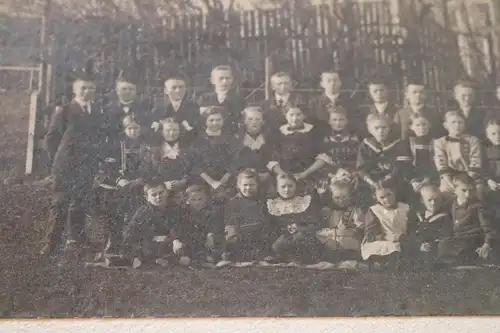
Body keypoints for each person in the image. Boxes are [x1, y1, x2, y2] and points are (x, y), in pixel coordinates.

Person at [41, 69, 107, 261]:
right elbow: (51, 139)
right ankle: (51, 245)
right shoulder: (65, 111)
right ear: (75, 90)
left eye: (91, 88)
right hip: (66, 167)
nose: (87, 92)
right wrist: (59, 161)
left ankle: (77, 240)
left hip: (86, 167)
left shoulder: (96, 112)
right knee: (60, 204)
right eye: (83, 88)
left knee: (79, 204)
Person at [95, 115, 152, 259]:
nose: (133, 131)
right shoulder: (117, 145)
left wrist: (139, 180)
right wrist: (119, 179)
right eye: (130, 128)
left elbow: (148, 166)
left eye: (136, 128)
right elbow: (109, 166)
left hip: (138, 183)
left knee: (136, 211)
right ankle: (112, 240)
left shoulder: (146, 145)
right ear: (125, 130)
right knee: (113, 210)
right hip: (119, 184)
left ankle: (132, 243)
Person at [121, 180, 183, 268]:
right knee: (143, 247)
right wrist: (155, 238)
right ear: (147, 198)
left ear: (166, 192)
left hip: (169, 241)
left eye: (161, 193)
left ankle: (165, 259)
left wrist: (175, 239)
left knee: (182, 243)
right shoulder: (143, 212)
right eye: (154, 195)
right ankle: (152, 260)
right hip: (150, 242)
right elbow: (132, 232)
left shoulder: (174, 208)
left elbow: (176, 225)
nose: (158, 197)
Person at [438, 174, 496, 266]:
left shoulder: (478, 206)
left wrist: (486, 244)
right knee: (442, 244)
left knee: (453, 248)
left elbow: (487, 228)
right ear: (455, 190)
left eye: (471, 190)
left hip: (473, 239)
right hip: (457, 239)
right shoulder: (451, 204)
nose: (468, 194)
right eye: (464, 190)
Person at [267, 173, 322, 264]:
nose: (287, 190)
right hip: (280, 236)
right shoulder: (272, 204)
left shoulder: (304, 202)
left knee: (301, 239)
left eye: (290, 186)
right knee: (278, 244)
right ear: (277, 188)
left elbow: (313, 223)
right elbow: (270, 225)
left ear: (296, 186)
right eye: (283, 186)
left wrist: (300, 228)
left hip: (301, 235)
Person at [356, 113, 411, 204]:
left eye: (384, 127)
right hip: (372, 182)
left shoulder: (398, 144)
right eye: (376, 128)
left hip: (393, 181)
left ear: (389, 128)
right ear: (370, 130)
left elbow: (401, 166)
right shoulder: (365, 145)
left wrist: (386, 181)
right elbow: (361, 168)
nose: (380, 131)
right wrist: (372, 182)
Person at [300, 106, 359, 187]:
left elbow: (358, 161)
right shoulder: (324, 139)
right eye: (334, 120)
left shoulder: (354, 139)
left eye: (341, 119)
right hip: (329, 174)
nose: (338, 123)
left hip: (350, 173)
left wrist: (352, 172)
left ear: (346, 121)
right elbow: (322, 160)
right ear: (329, 122)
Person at [186, 107, 237, 201]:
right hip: (203, 181)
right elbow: (195, 164)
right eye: (211, 120)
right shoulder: (197, 140)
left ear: (223, 121)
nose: (215, 123)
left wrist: (222, 182)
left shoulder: (231, 139)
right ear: (205, 122)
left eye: (218, 120)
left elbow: (235, 162)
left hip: (226, 181)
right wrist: (212, 182)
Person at [361, 183, 413, 272]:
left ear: (394, 193)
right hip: (383, 239)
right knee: (389, 247)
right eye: (382, 197)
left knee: (403, 247)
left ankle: (396, 265)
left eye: (389, 195)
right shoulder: (375, 210)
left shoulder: (404, 207)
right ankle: (383, 265)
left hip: (402, 238)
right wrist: (380, 236)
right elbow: (372, 230)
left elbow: (411, 224)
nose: (387, 199)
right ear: (376, 197)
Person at [222, 169, 271, 264]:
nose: (248, 188)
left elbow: (265, 220)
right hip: (241, 234)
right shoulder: (233, 203)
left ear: (257, 185)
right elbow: (231, 225)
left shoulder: (262, 201)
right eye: (245, 185)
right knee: (232, 240)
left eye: (252, 185)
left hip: (258, 234)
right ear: (239, 186)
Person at [267, 107, 320, 185]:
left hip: (309, 175)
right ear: (285, 116)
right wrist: (283, 174)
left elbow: (323, 156)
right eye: (291, 115)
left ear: (304, 115)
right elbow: (272, 157)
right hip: (284, 175)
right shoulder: (278, 132)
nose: (295, 118)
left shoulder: (314, 131)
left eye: (298, 114)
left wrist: (305, 174)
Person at [434, 111, 482, 194]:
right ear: (445, 125)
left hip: (469, 176)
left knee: (475, 191)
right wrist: (448, 180)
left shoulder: (472, 140)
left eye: (460, 122)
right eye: (453, 122)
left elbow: (475, 160)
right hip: (449, 176)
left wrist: (467, 179)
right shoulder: (440, 142)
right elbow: (441, 162)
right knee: (445, 191)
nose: (457, 125)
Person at [176, 183, 225, 266]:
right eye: (193, 200)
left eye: (200, 199)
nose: (197, 202)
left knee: (217, 241)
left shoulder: (212, 212)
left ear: (206, 199)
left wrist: (211, 234)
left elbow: (216, 227)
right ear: (187, 200)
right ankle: (199, 260)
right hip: (191, 241)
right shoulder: (184, 213)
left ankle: (209, 258)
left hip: (207, 241)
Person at [317, 180, 364, 263]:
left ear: (350, 196)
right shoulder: (327, 211)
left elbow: (360, 227)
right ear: (331, 197)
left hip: (348, 240)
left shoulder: (355, 210)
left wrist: (352, 228)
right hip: (331, 240)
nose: (341, 201)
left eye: (345, 197)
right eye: (337, 198)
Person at [409, 182, 453, 270]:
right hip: (417, 247)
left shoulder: (444, 217)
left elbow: (445, 235)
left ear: (441, 199)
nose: (433, 203)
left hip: (433, 249)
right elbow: (410, 233)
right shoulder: (416, 215)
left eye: (436, 199)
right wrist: (418, 245)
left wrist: (431, 244)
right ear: (422, 200)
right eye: (429, 200)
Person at [104, 69, 150, 151]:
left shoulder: (144, 109)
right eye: (124, 89)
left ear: (136, 91)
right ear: (117, 91)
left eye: (131, 89)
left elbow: (147, 130)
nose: (128, 91)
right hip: (115, 150)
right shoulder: (108, 109)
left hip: (139, 150)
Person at [197, 65, 246, 134]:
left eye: (227, 78)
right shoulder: (204, 98)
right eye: (221, 78)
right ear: (212, 80)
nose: (224, 82)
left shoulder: (238, 100)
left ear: (232, 80)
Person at [151, 118, 190, 204]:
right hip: (161, 190)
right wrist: (164, 184)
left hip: (184, 188)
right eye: (168, 130)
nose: (172, 133)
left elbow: (193, 168)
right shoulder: (155, 150)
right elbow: (151, 172)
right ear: (162, 132)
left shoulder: (187, 148)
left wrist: (184, 181)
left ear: (179, 131)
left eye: (175, 130)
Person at [150, 75, 199, 143]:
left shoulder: (194, 107)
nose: (178, 90)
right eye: (174, 87)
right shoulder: (158, 109)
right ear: (166, 91)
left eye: (181, 87)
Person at [308, 70, 353, 135]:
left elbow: (352, 123)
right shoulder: (314, 103)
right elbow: (311, 123)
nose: (332, 83)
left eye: (335, 80)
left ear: (340, 82)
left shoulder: (349, 102)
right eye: (329, 80)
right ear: (322, 84)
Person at [402, 116, 438, 194]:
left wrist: (429, 178)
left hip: (432, 177)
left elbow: (437, 162)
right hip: (413, 177)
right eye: (418, 125)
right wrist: (413, 180)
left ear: (429, 126)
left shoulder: (436, 142)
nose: (421, 127)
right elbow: (405, 165)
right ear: (411, 127)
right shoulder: (407, 142)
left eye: (424, 124)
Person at [361, 75, 400, 139]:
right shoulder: (365, 112)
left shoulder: (397, 110)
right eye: (375, 91)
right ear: (369, 93)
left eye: (382, 90)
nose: (379, 94)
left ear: (388, 91)